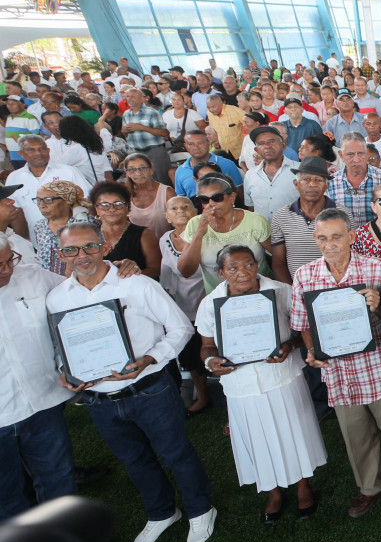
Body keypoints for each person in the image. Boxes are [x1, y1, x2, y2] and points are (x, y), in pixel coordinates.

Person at [46, 220, 215, 542]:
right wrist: (65, 370)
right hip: (99, 399)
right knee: (134, 460)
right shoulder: (56, 298)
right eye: (71, 249)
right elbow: (59, 346)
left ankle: (200, 509)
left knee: (176, 453)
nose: (82, 255)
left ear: (105, 247)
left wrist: (150, 359)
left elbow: (181, 328)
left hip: (150, 389)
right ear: (60, 254)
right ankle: (162, 512)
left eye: (90, 246)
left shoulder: (137, 285)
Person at [291, 208, 381, 518]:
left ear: (351, 236)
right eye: (322, 238)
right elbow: (303, 323)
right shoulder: (304, 275)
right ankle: (370, 486)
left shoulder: (377, 268)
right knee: (356, 436)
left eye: (336, 237)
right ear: (315, 239)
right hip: (339, 372)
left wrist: (378, 307)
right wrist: (314, 350)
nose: (329, 244)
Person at [196, 245, 326, 522]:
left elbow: (302, 328)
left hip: (281, 377)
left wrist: (290, 346)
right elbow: (206, 346)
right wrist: (211, 362)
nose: (243, 272)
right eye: (233, 268)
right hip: (241, 384)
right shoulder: (210, 304)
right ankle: (273, 491)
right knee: (258, 438)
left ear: (257, 265)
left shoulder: (281, 291)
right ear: (221, 273)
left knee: (294, 432)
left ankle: (303, 485)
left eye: (249, 265)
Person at [0, 235, 76, 519]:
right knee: (6, 494)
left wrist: (119, 267)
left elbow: (78, 290)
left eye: (10, 260)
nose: (7, 270)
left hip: (44, 402)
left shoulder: (32, 276)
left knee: (58, 478)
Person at [157, 195, 209, 416]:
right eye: (174, 208)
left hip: (208, 300)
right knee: (191, 355)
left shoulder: (207, 234)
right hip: (183, 306)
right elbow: (167, 272)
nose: (180, 210)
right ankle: (203, 396)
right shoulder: (165, 239)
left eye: (186, 206)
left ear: (195, 212)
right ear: (167, 217)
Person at [178, 176, 271, 292]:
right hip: (219, 296)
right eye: (204, 200)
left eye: (217, 198)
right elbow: (186, 271)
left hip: (261, 290)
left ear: (232, 197)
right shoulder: (195, 224)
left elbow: (278, 258)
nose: (211, 204)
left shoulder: (255, 221)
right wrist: (199, 234)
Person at [91, 181, 161, 280]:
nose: (111, 209)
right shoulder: (89, 235)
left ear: (127, 207)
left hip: (136, 287)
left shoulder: (145, 234)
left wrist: (126, 279)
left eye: (118, 204)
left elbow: (156, 269)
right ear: (97, 209)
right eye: (104, 205)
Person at [329, 133, 381, 228]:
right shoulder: (331, 183)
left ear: (367, 153)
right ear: (341, 155)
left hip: (378, 237)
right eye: (350, 154)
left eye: (360, 153)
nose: (356, 159)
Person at [243, 126, 299, 220]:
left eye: (272, 141)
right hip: (262, 229)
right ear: (256, 150)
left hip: (293, 228)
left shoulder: (299, 170)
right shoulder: (250, 175)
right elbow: (251, 207)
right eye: (261, 143)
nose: (267, 146)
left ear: (283, 145)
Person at [173, 129, 243, 198]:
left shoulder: (227, 164)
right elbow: (181, 197)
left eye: (200, 143)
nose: (196, 147)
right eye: (191, 144)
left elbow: (239, 191)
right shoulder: (180, 171)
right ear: (185, 146)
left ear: (208, 143)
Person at [121, 152, 174, 238]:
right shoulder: (123, 194)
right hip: (137, 244)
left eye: (142, 168)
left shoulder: (167, 192)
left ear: (151, 169)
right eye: (132, 169)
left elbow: (176, 224)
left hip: (166, 242)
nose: (138, 173)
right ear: (126, 172)